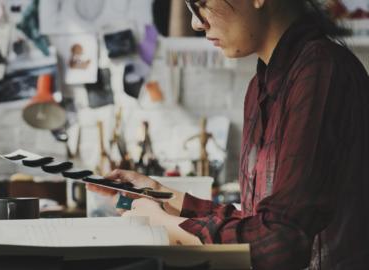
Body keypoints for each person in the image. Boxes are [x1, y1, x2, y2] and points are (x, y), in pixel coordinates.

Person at [87, 0, 369, 269]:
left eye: (202, 3)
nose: (197, 23)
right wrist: (160, 195)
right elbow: (258, 224)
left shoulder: (320, 71)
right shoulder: (261, 88)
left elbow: (280, 242)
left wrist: (163, 224)